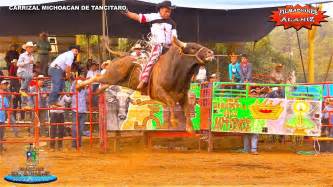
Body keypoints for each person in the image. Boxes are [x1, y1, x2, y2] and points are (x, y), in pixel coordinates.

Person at [123, 0, 178, 89]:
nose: (168, 13)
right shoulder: (153, 16)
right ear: (160, 10)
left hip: (169, 46)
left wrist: (174, 44)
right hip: (157, 45)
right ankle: (143, 80)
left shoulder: (172, 23)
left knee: (177, 60)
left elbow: (174, 37)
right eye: (166, 11)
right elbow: (138, 17)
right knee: (154, 58)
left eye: (170, 11)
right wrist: (126, 12)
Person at [17, 41, 35, 109]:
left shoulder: (32, 56)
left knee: (26, 90)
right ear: (26, 48)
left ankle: (24, 105)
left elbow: (31, 67)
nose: (31, 49)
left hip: (27, 74)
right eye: (30, 47)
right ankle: (22, 89)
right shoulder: (22, 55)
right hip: (21, 72)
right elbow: (18, 64)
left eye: (32, 47)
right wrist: (27, 62)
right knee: (24, 88)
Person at [71, 79, 87, 148]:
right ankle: (74, 144)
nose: (80, 85)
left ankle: (79, 143)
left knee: (81, 129)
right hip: (75, 111)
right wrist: (76, 80)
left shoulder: (84, 91)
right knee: (75, 128)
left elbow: (90, 89)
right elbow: (72, 87)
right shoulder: (74, 91)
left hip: (83, 112)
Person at [0, 81, 10, 153]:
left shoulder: (5, 98)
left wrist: (8, 118)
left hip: (2, 119)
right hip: (2, 118)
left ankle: (1, 147)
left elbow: (7, 109)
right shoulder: (4, 98)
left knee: (1, 134)